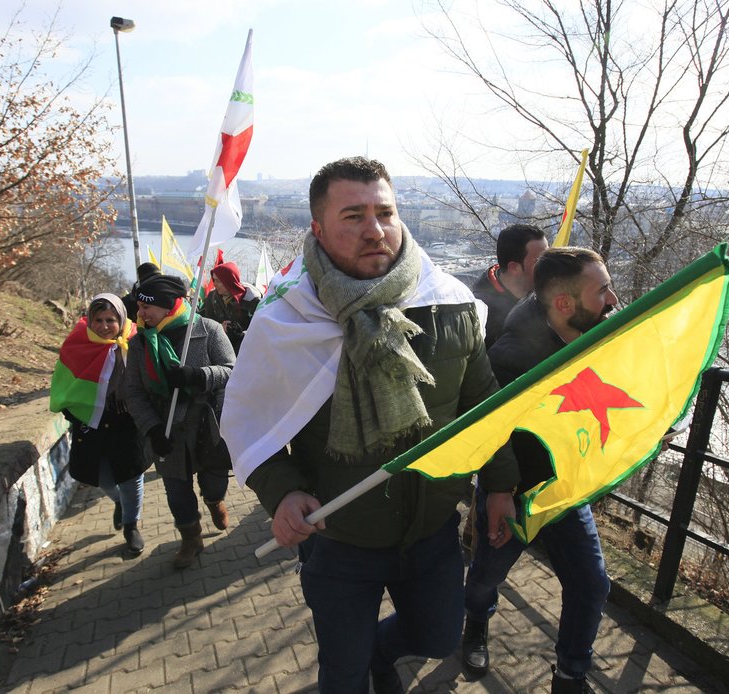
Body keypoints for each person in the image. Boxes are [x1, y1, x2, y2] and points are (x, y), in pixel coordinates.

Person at [221, 157, 520, 694]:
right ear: (318, 229)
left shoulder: (448, 304)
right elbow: (245, 416)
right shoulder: (287, 317)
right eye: (353, 215)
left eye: (385, 212)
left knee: (436, 637)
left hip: (432, 535)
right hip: (338, 541)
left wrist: (499, 485)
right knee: (342, 672)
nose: (375, 230)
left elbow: (482, 402)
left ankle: (384, 656)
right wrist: (282, 493)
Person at [462, 246, 618, 694]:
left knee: (591, 585)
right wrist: (500, 491)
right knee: (486, 576)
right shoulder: (512, 357)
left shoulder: (600, 332)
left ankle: (570, 675)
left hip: (564, 490)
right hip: (514, 492)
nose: (613, 299)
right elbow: (490, 433)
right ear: (565, 305)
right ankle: (475, 622)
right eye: (602, 290)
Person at [123, 273, 236, 569]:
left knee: (214, 481)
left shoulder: (208, 329)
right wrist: (152, 427)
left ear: (168, 305)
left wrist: (199, 376)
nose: (142, 313)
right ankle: (191, 538)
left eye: (148, 307)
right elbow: (132, 392)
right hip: (167, 429)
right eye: (140, 306)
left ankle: (214, 501)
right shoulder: (140, 344)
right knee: (176, 490)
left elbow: (232, 370)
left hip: (207, 425)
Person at [49, 293, 147, 556]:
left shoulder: (136, 341)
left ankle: (131, 525)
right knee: (101, 477)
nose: (104, 326)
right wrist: (74, 416)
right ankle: (120, 504)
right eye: (99, 320)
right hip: (90, 424)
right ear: (89, 321)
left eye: (111, 320)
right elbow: (64, 384)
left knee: (131, 477)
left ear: (121, 319)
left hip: (126, 421)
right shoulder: (76, 344)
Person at [472, 223, 548, 348]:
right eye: (540, 261)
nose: (548, 265)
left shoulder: (548, 291)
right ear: (514, 267)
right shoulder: (480, 312)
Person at [200, 261, 263, 353]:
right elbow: (204, 322)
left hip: (246, 350)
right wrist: (219, 328)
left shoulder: (252, 301)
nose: (214, 284)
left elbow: (259, 331)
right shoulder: (212, 298)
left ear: (229, 281)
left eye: (218, 281)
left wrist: (239, 334)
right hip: (218, 348)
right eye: (214, 280)